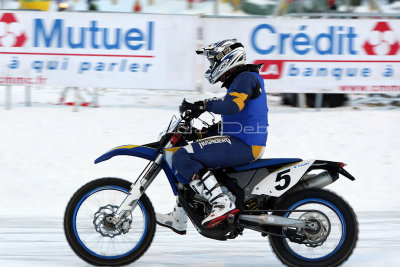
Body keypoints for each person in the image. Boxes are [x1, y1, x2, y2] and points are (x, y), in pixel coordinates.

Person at [156, 39, 269, 234]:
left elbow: (233, 106)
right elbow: (232, 123)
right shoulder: (242, 80)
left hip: (243, 144)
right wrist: (199, 133)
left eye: (213, 61)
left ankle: (221, 203)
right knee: (191, 160)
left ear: (226, 58)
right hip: (240, 141)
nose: (212, 66)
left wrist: (203, 105)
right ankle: (179, 218)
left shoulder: (245, 78)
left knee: (182, 156)